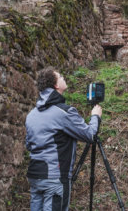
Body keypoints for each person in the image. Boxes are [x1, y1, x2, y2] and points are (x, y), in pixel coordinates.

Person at [25, 67, 102, 211]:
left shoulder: (31, 115)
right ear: (56, 85)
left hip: (35, 175)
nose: (63, 78)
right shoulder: (64, 112)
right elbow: (90, 134)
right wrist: (95, 116)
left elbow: (29, 145)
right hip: (55, 177)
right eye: (60, 77)